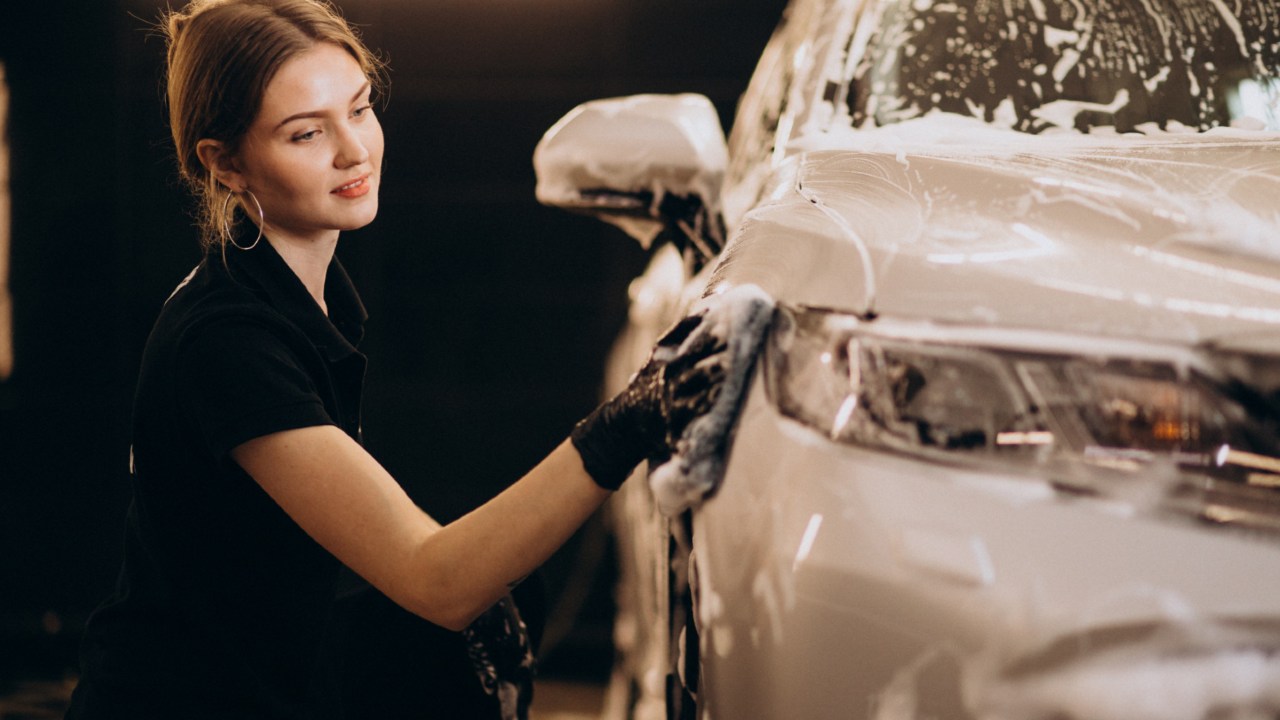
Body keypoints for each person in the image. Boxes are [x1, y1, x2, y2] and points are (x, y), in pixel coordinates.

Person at [65, 1, 742, 718]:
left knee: (498, 597)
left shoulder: (296, 296)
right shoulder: (227, 340)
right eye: (307, 132)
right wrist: (625, 424)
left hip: (263, 684)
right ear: (225, 163)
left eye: (359, 109)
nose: (353, 151)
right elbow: (436, 581)